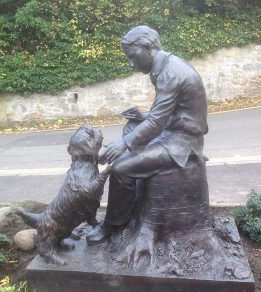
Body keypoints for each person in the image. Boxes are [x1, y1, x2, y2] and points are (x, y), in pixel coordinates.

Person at [86, 25, 208, 244]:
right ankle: (131, 206)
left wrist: (124, 144)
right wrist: (143, 117)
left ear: (148, 47)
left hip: (182, 142)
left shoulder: (170, 73)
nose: (131, 64)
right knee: (131, 128)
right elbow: (168, 114)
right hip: (175, 129)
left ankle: (113, 225)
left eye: (133, 57)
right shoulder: (165, 66)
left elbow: (157, 122)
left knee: (122, 168)